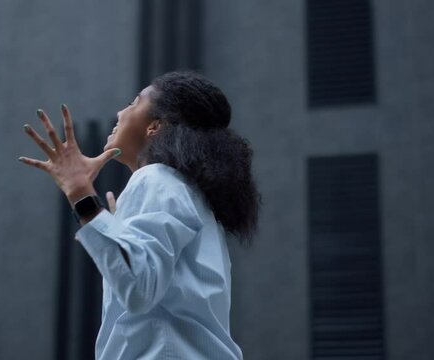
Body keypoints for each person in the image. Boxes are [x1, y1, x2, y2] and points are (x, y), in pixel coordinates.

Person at [19, 71, 260, 359]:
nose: (121, 111)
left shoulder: (156, 180)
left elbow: (138, 287)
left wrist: (81, 195)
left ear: (155, 126)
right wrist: (112, 226)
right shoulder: (186, 193)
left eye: (134, 103)